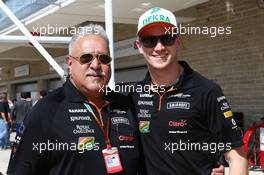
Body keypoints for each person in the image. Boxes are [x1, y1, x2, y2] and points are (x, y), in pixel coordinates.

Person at [8, 24, 139, 175]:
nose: (96, 65)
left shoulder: (126, 105)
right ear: (70, 63)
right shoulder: (46, 110)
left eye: (103, 58)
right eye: (86, 58)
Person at [132, 7, 248, 175]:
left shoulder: (207, 91)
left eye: (167, 38)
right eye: (150, 40)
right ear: (139, 46)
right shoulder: (133, 96)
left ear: (178, 41)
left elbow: (237, 156)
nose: (159, 47)